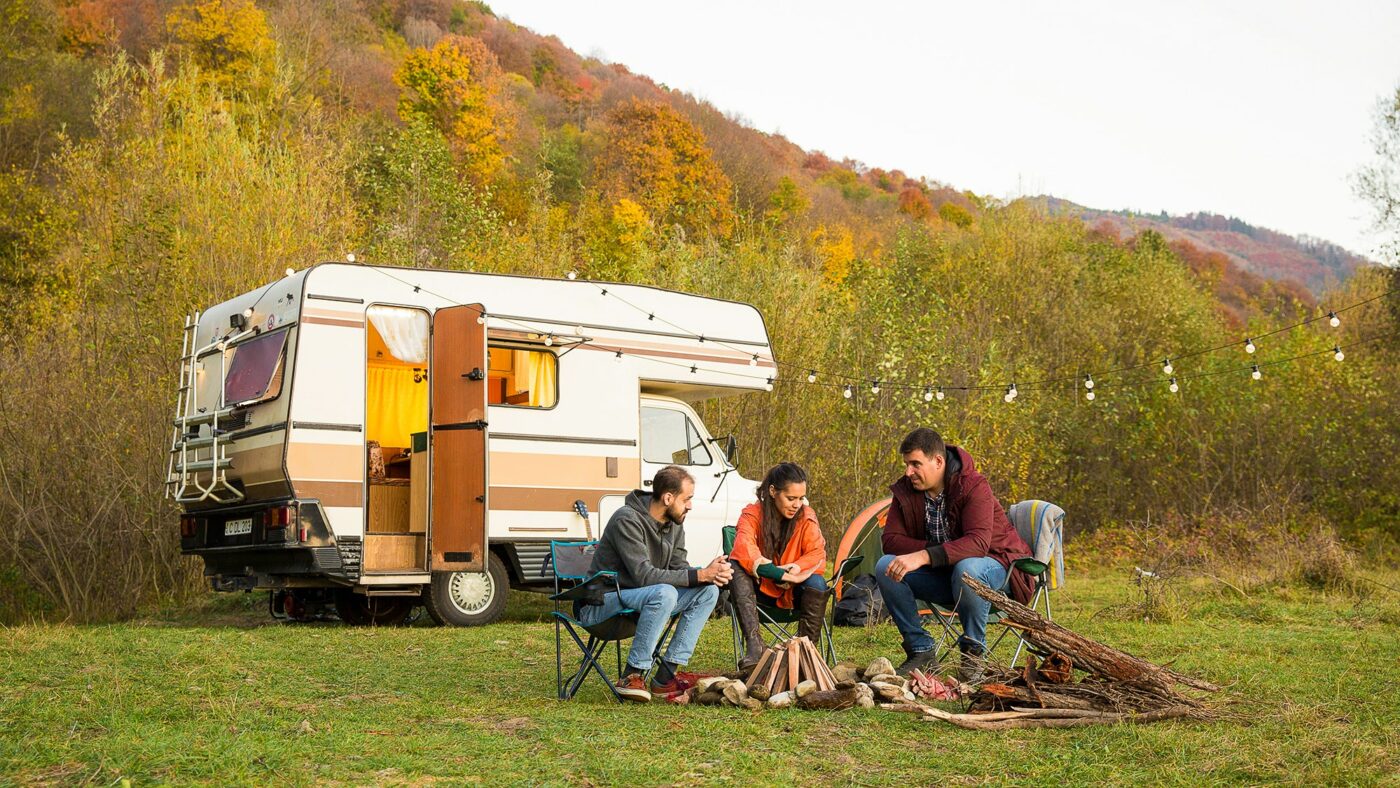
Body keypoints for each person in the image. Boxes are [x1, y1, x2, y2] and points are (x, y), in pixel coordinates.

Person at [875, 428, 1034, 683]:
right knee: (886, 566)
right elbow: (890, 540)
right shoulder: (907, 490)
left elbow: (978, 543)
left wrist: (924, 556)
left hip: (997, 573)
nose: (908, 472)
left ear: (938, 461)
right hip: (946, 576)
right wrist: (936, 552)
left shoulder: (972, 484)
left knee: (968, 567)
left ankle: (973, 654)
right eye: (906, 464)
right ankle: (921, 650)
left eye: (915, 464)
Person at [581, 465, 733, 703]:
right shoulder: (627, 519)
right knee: (664, 593)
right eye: (687, 499)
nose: (691, 505)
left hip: (640, 603)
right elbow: (644, 576)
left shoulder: (674, 523)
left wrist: (709, 573)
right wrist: (700, 574)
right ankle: (632, 675)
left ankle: (666, 676)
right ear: (668, 497)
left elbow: (679, 568)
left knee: (707, 591)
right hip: (601, 604)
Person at [727, 463, 828, 674]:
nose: (797, 505)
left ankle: (805, 653)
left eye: (801, 498)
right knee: (734, 564)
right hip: (760, 592)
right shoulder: (752, 514)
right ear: (773, 491)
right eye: (791, 498)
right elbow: (743, 547)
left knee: (817, 582)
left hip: (794, 594)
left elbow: (817, 553)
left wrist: (795, 569)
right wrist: (777, 573)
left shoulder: (806, 516)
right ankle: (755, 649)